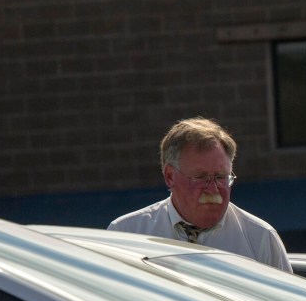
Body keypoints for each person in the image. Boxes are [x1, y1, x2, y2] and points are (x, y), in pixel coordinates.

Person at [110, 117, 291, 273]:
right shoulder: (127, 235)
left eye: (221, 177)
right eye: (200, 177)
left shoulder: (260, 239)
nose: (212, 189)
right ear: (170, 176)